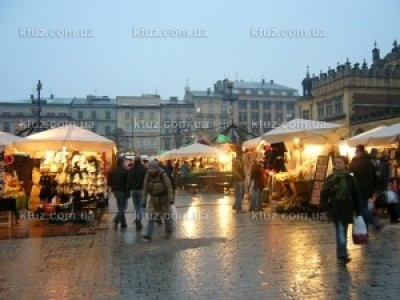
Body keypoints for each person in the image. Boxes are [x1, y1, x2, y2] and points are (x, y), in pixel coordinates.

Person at [321, 156, 362, 265]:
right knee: (340, 230)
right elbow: (324, 193)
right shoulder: (330, 178)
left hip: (348, 208)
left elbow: (356, 194)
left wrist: (359, 211)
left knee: (343, 230)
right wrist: (325, 208)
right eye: (336, 162)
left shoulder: (350, 178)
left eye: (340, 162)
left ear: (345, 164)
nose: (337, 164)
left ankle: (341, 253)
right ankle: (343, 253)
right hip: (336, 208)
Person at [350, 144, 382, 231]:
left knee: (362, 209)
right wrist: (375, 189)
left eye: (356, 151)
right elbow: (376, 176)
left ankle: (374, 221)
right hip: (369, 190)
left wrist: (353, 161)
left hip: (360, 189)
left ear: (360, 151)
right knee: (365, 208)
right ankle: (366, 228)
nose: (355, 153)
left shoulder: (357, 161)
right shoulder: (370, 161)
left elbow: (352, 171)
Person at [142, 159, 174, 241]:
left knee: (166, 216)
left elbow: (169, 186)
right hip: (153, 198)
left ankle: (168, 232)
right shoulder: (147, 175)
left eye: (152, 168)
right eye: (149, 168)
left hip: (164, 198)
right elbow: (145, 188)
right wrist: (144, 201)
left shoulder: (163, 174)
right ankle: (148, 234)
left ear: (156, 168)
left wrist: (171, 198)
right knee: (151, 216)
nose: (151, 170)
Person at [127, 156, 147, 230]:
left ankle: (137, 219)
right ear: (140, 161)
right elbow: (146, 180)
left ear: (134, 161)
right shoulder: (144, 169)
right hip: (142, 190)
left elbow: (128, 181)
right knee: (141, 206)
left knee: (136, 207)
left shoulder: (131, 169)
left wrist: (128, 190)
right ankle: (138, 220)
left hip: (134, 190)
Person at [108, 156, 129, 229]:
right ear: (121, 162)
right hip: (123, 191)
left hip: (116, 191)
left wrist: (112, 188)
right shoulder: (125, 171)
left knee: (120, 207)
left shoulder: (112, 170)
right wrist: (128, 191)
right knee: (123, 208)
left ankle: (123, 223)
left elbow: (109, 181)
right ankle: (116, 219)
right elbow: (127, 182)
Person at [232, 149, 245, 213]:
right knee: (239, 195)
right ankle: (238, 209)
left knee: (239, 194)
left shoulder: (238, 160)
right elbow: (235, 171)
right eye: (242, 154)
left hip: (238, 180)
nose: (243, 155)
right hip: (238, 180)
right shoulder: (236, 161)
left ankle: (236, 206)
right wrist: (240, 178)